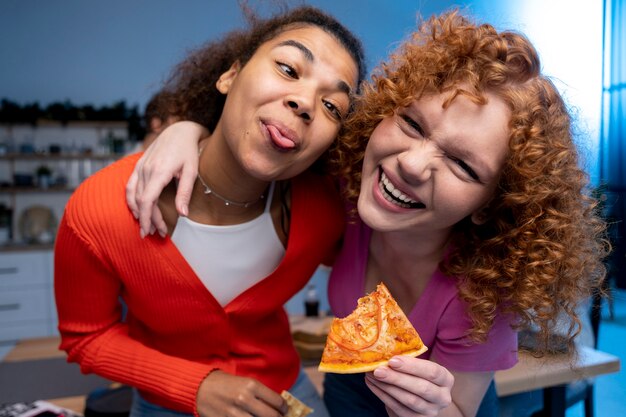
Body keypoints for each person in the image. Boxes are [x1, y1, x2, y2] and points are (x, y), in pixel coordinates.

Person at [126, 11, 609, 417]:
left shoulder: (483, 297)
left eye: (462, 164)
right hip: (345, 387)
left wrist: (433, 410)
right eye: (412, 123)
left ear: (491, 206)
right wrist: (185, 130)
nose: (412, 165)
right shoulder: (346, 188)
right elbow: (254, 140)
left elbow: (459, 409)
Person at [54, 5, 366, 417]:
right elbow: (87, 339)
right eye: (289, 69)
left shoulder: (325, 209)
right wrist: (194, 385)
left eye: (332, 107)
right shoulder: (100, 208)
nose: (305, 102)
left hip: (283, 393)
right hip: (163, 398)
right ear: (230, 75)